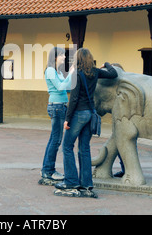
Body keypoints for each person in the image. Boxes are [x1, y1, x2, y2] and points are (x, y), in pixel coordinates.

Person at [54, 48, 117, 197]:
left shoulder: (77, 74)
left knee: (67, 146)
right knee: (84, 148)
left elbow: (74, 98)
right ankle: (86, 184)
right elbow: (113, 73)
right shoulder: (95, 72)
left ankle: (71, 181)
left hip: (78, 114)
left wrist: (67, 119)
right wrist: (106, 64)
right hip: (90, 113)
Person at [40, 47, 74, 184]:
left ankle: (47, 169)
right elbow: (60, 87)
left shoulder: (57, 71)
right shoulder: (50, 71)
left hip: (60, 106)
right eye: (61, 55)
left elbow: (65, 86)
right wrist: (71, 73)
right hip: (57, 107)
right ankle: (48, 171)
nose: (64, 57)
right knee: (56, 140)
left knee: (54, 139)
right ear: (54, 57)